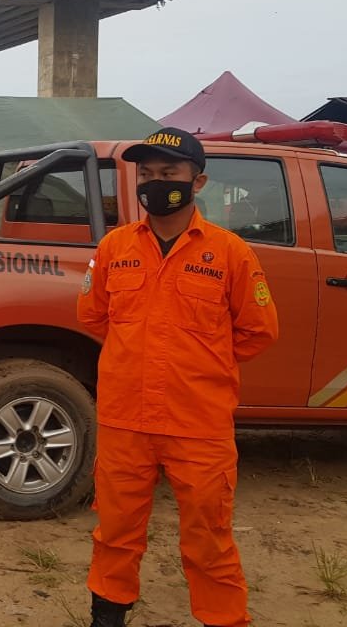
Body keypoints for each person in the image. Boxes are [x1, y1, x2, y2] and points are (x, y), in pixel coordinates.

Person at [76, 128, 278, 627]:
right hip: (125, 420)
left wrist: (199, 365)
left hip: (198, 424)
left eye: (169, 173)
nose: (154, 183)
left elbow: (258, 331)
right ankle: (107, 615)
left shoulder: (230, 252)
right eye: (145, 173)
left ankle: (223, 619)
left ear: (198, 181)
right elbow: (94, 316)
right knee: (115, 533)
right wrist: (137, 355)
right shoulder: (115, 246)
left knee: (209, 539)